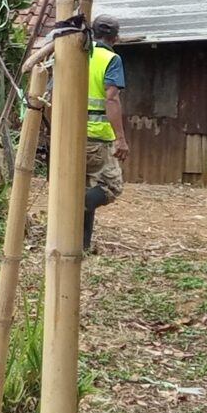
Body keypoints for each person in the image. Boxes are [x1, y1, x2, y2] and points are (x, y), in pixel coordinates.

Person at [82, 14, 129, 254]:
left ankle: (82, 246)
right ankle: (74, 208)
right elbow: (111, 98)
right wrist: (120, 138)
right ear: (115, 38)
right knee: (111, 186)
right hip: (97, 136)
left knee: (84, 186)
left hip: (70, 136)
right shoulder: (111, 59)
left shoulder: (78, 53)